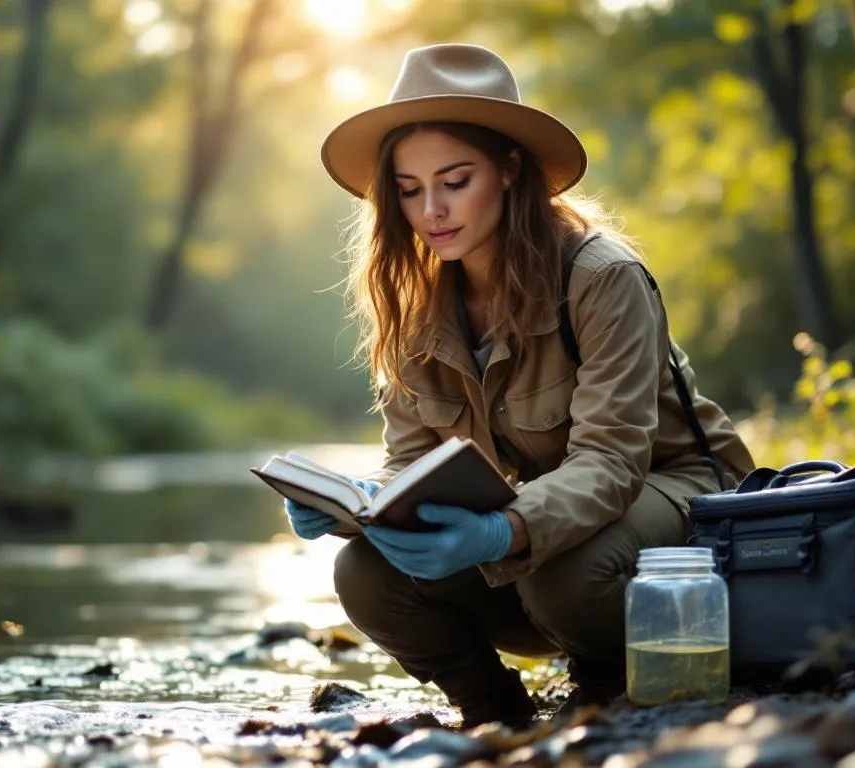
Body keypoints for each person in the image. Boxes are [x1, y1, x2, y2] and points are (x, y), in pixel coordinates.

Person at [285, 43, 756, 728]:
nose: (432, 211)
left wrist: (501, 531)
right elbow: (412, 458)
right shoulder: (413, 298)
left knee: (561, 577)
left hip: (672, 494)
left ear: (508, 170)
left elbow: (613, 461)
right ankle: (491, 710)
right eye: (410, 189)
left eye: (455, 180)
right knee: (364, 572)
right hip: (541, 534)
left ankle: (614, 675)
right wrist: (359, 506)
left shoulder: (601, 277)